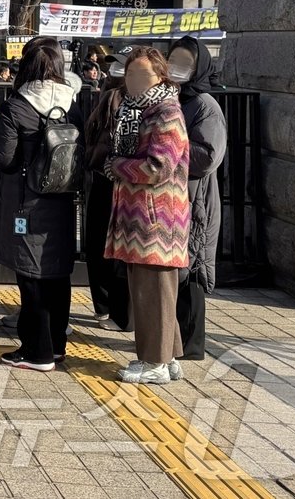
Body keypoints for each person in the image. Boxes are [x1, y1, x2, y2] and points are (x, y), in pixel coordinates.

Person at [0, 37, 82, 372]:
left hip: (26, 202)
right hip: (62, 200)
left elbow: (4, 158)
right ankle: (57, 347)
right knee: (58, 274)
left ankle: (36, 351)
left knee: (31, 275)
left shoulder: (18, 105)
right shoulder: (72, 102)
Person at [104, 46, 191, 385]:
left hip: (157, 217)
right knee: (153, 288)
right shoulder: (138, 109)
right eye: (131, 75)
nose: (135, 81)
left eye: (143, 75)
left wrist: (116, 166)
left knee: (153, 288)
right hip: (140, 214)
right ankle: (167, 358)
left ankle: (153, 360)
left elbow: (159, 166)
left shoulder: (166, 111)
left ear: (160, 76)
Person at [168, 36, 226, 362]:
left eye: (184, 62)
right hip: (171, 199)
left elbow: (208, 156)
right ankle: (173, 341)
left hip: (196, 200)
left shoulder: (205, 105)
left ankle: (191, 347)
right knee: (175, 268)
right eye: (173, 60)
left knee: (191, 269)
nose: (177, 68)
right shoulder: (172, 99)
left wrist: (166, 151)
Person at [83, 74, 130, 328]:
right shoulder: (137, 105)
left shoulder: (106, 102)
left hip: (103, 178)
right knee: (121, 250)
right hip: (126, 183)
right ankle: (120, 311)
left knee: (99, 246)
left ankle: (103, 308)